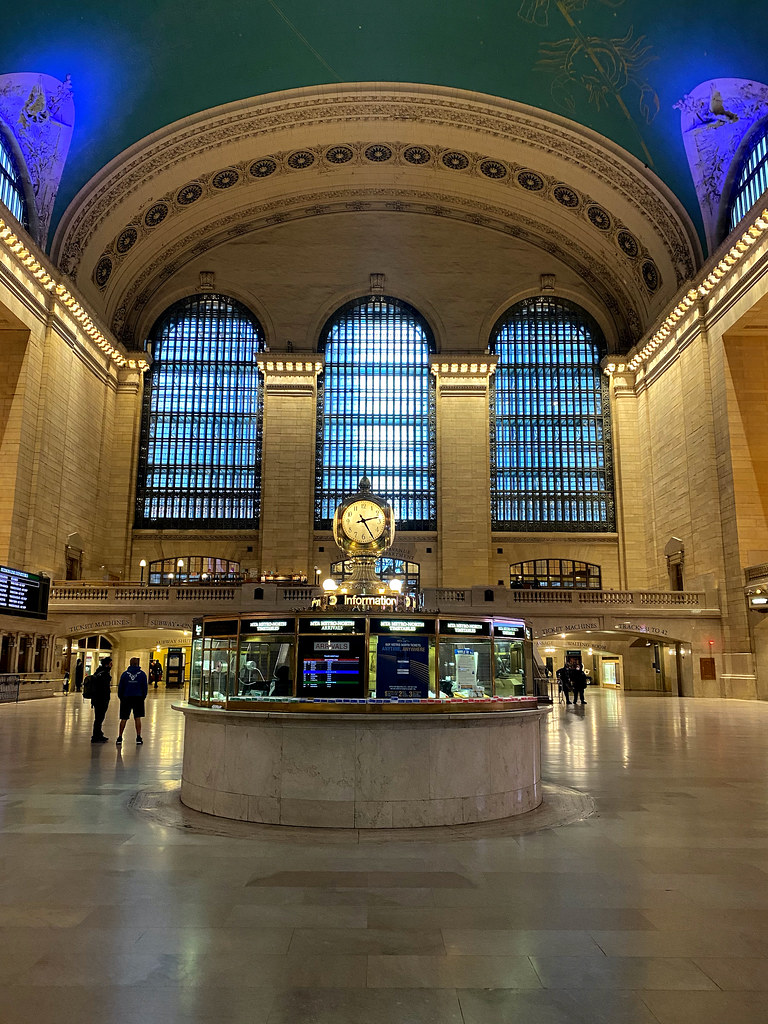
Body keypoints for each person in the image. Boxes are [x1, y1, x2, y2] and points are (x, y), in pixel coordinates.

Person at [116, 657, 149, 746]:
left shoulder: (125, 674)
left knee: (123, 718)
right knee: (137, 718)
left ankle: (119, 737)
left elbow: (120, 688)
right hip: (138, 698)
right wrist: (143, 697)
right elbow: (145, 688)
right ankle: (138, 737)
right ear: (137, 664)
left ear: (130, 664)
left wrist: (121, 697)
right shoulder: (142, 674)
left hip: (126, 697)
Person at [89, 657, 113, 743]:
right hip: (101, 699)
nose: (112, 665)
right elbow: (103, 688)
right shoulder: (104, 674)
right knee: (99, 717)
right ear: (107, 664)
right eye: (110, 663)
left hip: (96, 699)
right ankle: (96, 735)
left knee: (98, 717)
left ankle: (98, 733)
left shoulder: (98, 671)